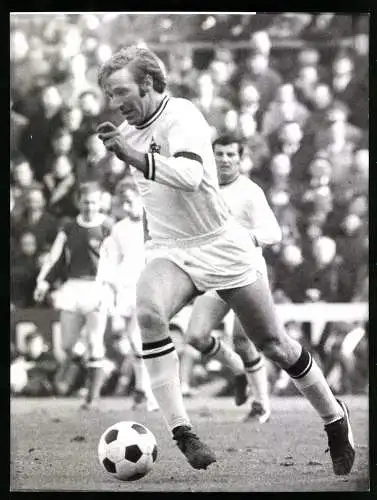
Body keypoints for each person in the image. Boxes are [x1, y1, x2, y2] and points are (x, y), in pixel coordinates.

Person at [96, 45, 355, 474]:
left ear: (147, 84)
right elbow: (151, 198)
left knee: (274, 345)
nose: (114, 102)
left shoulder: (183, 116)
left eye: (120, 90)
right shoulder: (130, 131)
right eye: (108, 94)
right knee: (148, 312)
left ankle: (333, 417)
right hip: (170, 249)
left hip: (220, 243)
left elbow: (193, 176)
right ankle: (183, 432)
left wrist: (133, 156)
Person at [180, 134, 281, 424]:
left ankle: (261, 405)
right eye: (219, 154)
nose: (224, 159)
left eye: (230, 155)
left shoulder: (250, 191)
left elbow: (274, 233)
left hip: (247, 274)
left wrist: (245, 237)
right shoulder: (203, 187)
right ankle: (237, 369)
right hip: (215, 274)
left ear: (240, 159)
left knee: (244, 340)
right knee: (196, 337)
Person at [33, 182, 114, 409]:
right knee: (68, 346)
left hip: (97, 288)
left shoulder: (108, 226)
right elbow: (55, 258)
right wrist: (43, 282)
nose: (90, 207)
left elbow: (115, 259)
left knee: (95, 341)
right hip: (73, 288)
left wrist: (112, 288)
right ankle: (95, 366)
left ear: (101, 203)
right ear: (79, 202)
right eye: (86, 202)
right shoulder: (68, 227)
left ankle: (92, 398)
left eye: (94, 202)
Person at [96, 179, 158, 411]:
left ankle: (149, 393)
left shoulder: (153, 224)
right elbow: (111, 260)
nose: (126, 204)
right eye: (123, 201)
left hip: (148, 287)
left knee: (140, 339)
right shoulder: (119, 228)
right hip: (125, 289)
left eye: (130, 200)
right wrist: (109, 285)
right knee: (127, 339)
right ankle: (143, 389)